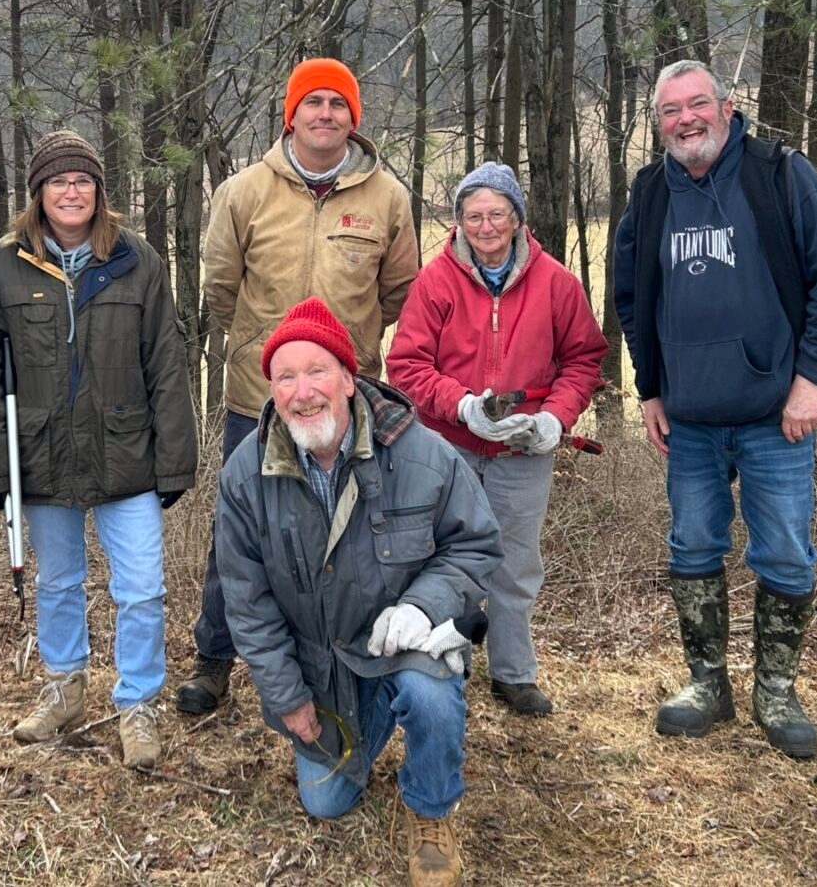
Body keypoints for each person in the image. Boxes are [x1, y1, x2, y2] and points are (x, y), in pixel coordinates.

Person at [612, 60, 817, 759]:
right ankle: (708, 685)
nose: (685, 120)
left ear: (728, 106)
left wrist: (812, 378)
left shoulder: (778, 174)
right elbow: (632, 297)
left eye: (697, 105)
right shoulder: (652, 193)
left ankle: (777, 691)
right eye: (670, 111)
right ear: (658, 122)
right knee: (693, 546)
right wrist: (651, 388)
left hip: (773, 416)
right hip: (689, 419)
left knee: (783, 549)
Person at [217, 297, 500, 887]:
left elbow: (474, 547)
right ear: (270, 391)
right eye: (284, 378)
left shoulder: (424, 455)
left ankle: (429, 808)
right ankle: (362, 729)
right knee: (325, 803)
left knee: (429, 694)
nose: (302, 392)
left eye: (316, 371)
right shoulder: (245, 473)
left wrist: (425, 606)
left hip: (404, 644)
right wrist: (287, 696)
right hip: (321, 668)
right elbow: (247, 601)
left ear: (349, 379)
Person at [179, 57, 421, 715]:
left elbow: (398, 292)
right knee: (238, 531)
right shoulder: (245, 192)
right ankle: (215, 657)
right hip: (258, 398)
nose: (325, 114)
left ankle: (338, 656)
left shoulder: (386, 198)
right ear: (291, 114)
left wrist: (339, 364)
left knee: (348, 532)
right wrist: (274, 359)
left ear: (354, 118)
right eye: (312, 102)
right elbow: (221, 290)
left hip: (347, 402)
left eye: (337, 104)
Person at [0, 130, 196, 770]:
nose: (72, 191)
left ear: (100, 191)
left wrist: (175, 459)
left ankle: (138, 702)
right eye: (59, 181)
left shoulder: (137, 262)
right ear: (38, 193)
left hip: (128, 456)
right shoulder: (1, 267)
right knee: (59, 581)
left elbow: (167, 366)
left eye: (84, 180)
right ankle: (66, 687)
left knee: (143, 589)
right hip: (40, 457)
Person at [387, 162, 607, 717]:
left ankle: (513, 672)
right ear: (458, 222)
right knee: (440, 556)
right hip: (447, 446)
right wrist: (461, 405)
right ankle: (438, 666)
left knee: (514, 562)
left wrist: (555, 419)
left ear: (517, 219)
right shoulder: (434, 281)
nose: (485, 227)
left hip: (523, 447)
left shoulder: (557, 283)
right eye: (473, 216)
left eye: (496, 214)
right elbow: (407, 364)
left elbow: (584, 359)